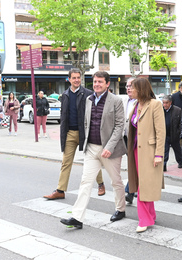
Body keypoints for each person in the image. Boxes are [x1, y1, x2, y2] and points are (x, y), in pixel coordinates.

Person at [60, 71, 127, 229]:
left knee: (116, 181)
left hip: (110, 150)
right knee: (85, 182)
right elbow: (86, 122)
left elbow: (119, 126)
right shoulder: (89, 100)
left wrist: (109, 147)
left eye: (100, 82)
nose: (96, 84)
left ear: (107, 84)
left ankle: (121, 209)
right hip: (91, 148)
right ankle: (77, 217)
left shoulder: (116, 101)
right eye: (95, 81)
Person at [44, 69, 105, 200]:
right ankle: (60, 190)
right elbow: (64, 116)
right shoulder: (65, 95)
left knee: (93, 159)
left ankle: (101, 184)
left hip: (86, 133)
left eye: (78, 77)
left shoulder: (89, 94)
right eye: (74, 78)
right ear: (69, 79)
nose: (77, 80)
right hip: (70, 133)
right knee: (66, 162)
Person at [127, 78, 165, 233]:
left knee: (144, 186)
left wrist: (159, 154)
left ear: (141, 89)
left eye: (132, 87)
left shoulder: (155, 104)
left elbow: (161, 132)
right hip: (136, 150)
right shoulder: (136, 105)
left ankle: (144, 220)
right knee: (143, 185)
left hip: (149, 152)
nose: (129, 89)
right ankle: (150, 215)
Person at [123, 77, 137, 204]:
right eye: (127, 86)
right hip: (126, 138)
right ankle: (132, 190)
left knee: (135, 166)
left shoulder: (141, 102)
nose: (128, 88)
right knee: (132, 166)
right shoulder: (124, 101)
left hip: (138, 139)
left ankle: (130, 191)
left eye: (131, 86)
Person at [162, 95, 182, 171]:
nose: (165, 105)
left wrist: (178, 132)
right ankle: (164, 165)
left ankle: (180, 161)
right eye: (163, 103)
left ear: (170, 102)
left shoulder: (177, 110)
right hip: (165, 135)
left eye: (166, 103)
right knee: (165, 150)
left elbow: (181, 123)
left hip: (174, 135)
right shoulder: (161, 110)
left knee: (177, 150)